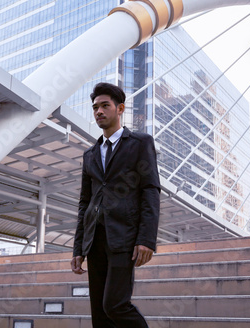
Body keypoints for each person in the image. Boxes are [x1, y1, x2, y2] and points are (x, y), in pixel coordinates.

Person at [71, 82, 160, 328]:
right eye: (95, 107)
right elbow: (84, 203)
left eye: (104, 106)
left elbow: (150, 190)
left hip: (124, 237)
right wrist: (78, 247)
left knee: (115, 305)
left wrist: (147, 238)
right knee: (99, 315)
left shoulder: (140, 143)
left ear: (119, 108)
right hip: (95, 239)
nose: (99, 111)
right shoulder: (89, 154)